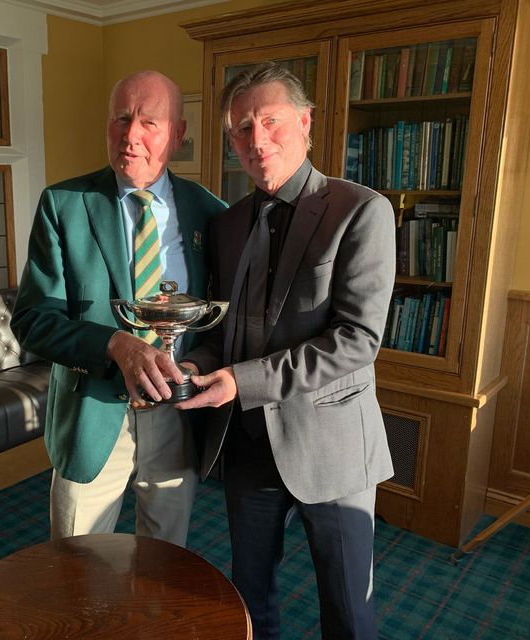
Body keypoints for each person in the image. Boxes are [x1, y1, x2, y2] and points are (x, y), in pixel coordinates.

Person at [177, 62, 396, 639]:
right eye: (242, 129)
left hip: (333, 446)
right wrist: (195, 365)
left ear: (304, 122)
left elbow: (357, 340)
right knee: (250, 598)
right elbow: (219, 330)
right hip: (248, 443)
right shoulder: (227, 225)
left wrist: (241, 380)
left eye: (270, 121)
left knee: (348, 607)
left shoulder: (360, 211)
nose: (257, 140)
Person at [11, 70, 226, 547]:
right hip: (92, 414)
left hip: (177, 414)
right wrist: (114, 344)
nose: (130, 136)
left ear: (178, 134)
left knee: (166, 559)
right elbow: (31, 320)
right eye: (121, 119)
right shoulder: (64, 205)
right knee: (76, 563)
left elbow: (218, 325)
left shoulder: (211, 214)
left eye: (149, 122)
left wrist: (194, 366)